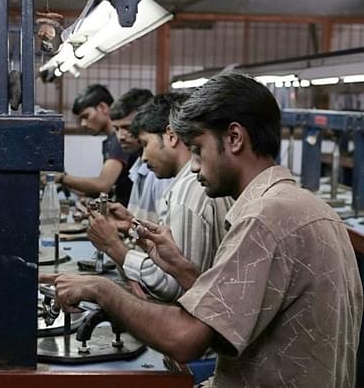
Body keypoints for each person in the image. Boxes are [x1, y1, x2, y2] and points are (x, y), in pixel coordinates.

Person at [44, 72, 363, 387]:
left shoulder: (265, 217)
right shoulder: (310, 206)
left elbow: (186, 338)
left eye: (197, 149)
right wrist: (181, 268)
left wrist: (103, 290)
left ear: (235, 138)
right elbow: (234, 316)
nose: (194, 166)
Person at [87, 93, 232, 301]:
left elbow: (173, 288)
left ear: (171, 137)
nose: (143, 156)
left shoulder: (188, 191)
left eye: (145, 144)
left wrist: (113, 246)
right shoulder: (191, 184)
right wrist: (132, 225)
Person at [56, 84, 137, 207]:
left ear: (103, 107)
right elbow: (103, 190)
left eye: (86, 116)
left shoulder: (119, 140)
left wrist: (62, 178)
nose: (83, 124)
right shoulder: (109, 142)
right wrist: (65, 182)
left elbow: (103, 185)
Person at [109, 88, 171, 222]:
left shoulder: (161, 175)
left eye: (127, 127)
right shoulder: (139, 169)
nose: (120, 136)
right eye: (116, 129)